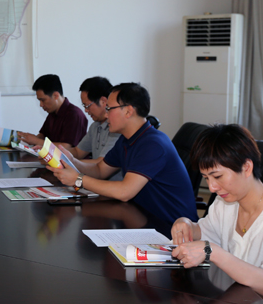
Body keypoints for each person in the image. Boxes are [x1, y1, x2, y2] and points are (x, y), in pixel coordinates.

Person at [171, 124, 263, 304]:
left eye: (217, 176)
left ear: (247, 167)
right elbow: (205, 232)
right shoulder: (225, 203)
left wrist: (211, 251)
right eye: (206, 178)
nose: (212, 187)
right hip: (241, 297)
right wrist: (187, 223)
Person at [49, 82, 197, 225]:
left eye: (109, 109)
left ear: (128, 111)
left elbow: (124, 192)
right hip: (142, 217)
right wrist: (72, 161)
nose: (106, 114)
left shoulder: (153, 144)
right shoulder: (126, 139)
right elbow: (100, 170)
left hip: (172, 228)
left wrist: (78, 179)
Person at [18, 74, 87, 149]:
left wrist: (36, 141)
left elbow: (66, 147)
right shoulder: (52, 112)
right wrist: (29, 139)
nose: (41, 105)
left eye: (43, 100)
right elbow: (43, 135)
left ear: (56, 95)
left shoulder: (74, 115)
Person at [66, 76, 120, 160]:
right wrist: (54, 153)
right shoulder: (95, 126)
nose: (86, 110)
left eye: (87, 106)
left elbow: (101, 164)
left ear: (103, 101)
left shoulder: (116, 128)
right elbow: (78, 152)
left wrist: (72, 162)